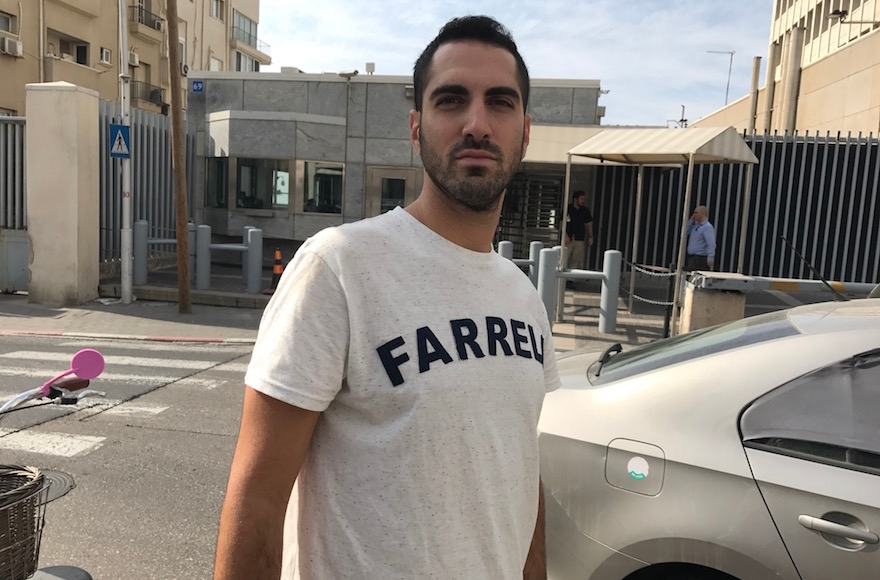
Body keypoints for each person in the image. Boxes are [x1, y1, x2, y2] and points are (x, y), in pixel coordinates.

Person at [214, 15, 560, 580]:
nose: (477, 123)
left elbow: (520, 480)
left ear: (525, 129)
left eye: (499, 102)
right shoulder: (340, 266)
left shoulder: (522, 296)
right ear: (417, 127)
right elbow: (257, 502)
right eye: (451, 100)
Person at [564, 190, 593, 270]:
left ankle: (571, 279)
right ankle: (562, 279)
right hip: (568, 238)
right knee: (564, 258)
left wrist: (591, 237)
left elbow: (589, 224)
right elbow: (562, 223)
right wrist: (565, 235)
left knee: (576, 259)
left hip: (579, 238)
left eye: (583, 199)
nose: (583, 201)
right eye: (581, 199)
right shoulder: (568, 209)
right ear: (575, 199)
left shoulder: (585, 210)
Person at [686, 205, 716, 271]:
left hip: (700, 258)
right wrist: (691, 221)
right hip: (692, 258)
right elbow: (686, 232)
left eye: (696, 213)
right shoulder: (695, 226)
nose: (694, 215)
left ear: (702, 214)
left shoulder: (707, 227)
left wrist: (710, 257)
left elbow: (711, 244)